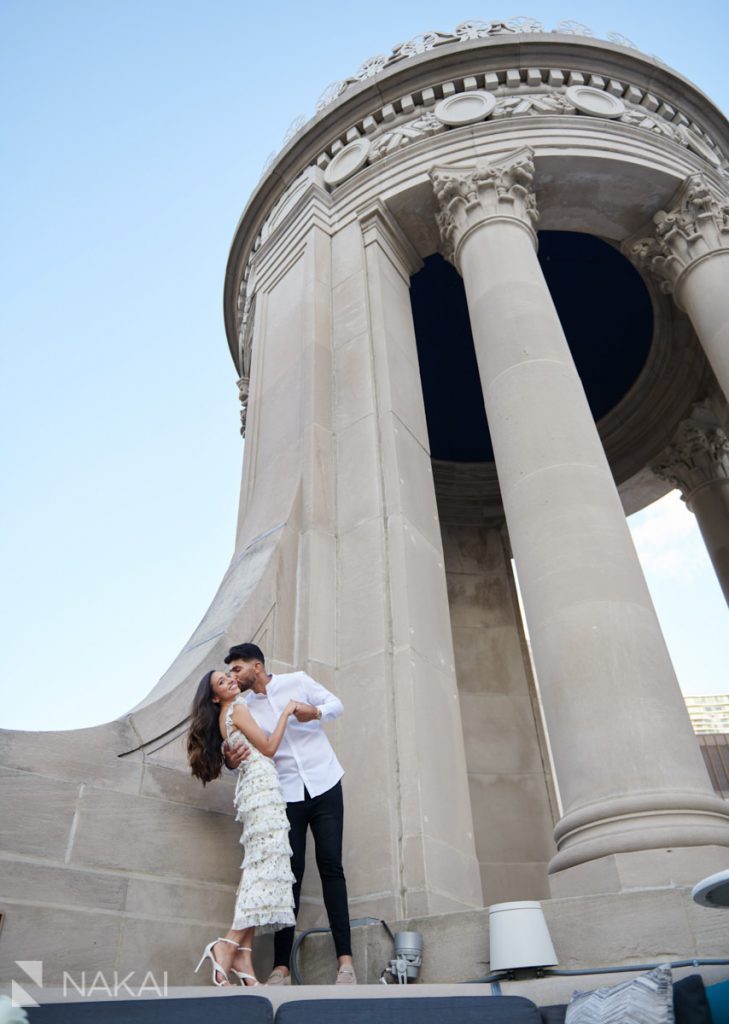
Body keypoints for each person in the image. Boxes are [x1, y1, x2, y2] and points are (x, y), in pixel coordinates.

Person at [223, 643, 356, 986]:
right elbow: (243, 748)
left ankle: (345, 963)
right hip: (287, 796)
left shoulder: (296, 680)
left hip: (325, 783)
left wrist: (315, 712)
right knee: (289, 876)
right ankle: (280, 967)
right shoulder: (245, 707)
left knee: (331, 866)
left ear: (257, 665)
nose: (233, 676)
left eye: (238, 669)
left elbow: (337, 704)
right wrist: (230, 761)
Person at [187, 668, 299, 986]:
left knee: (258, 865)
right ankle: (227, 943)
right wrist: (287, 713)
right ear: (215, 695)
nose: (231, 680)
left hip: (255, 789)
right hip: (262, 789)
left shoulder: (227, 713)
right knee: (264, 865)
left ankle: (243, 959)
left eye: (229, 676)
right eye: (223, 681)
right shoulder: (236, 708)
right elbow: (268, 747)